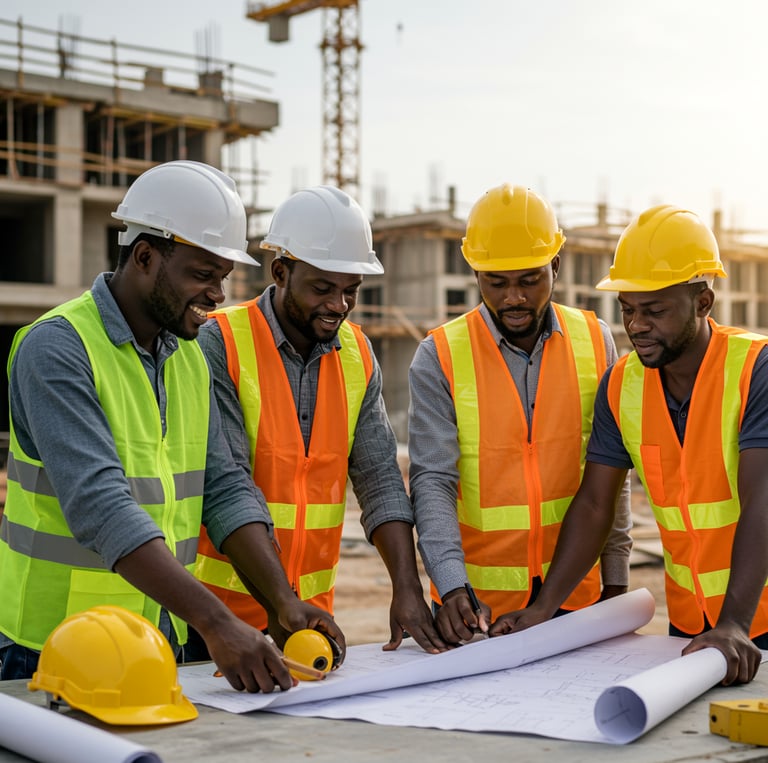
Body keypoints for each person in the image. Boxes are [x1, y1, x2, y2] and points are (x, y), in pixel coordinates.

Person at [0, 160, 343, 692]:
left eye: (223, 279)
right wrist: (216, 621)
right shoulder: (57, 348)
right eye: (203, 275)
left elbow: (224, 488)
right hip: (49, 649)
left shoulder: (188, 357)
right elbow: (100, 504)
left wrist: (280, 603)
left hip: (153, 642)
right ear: (144, 256)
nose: (217, 295)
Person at [490, 204, 768, 686]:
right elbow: (597, 503)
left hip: (753, 621)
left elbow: (763, 497)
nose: (636, 325)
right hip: (692, 625)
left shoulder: (755, 369)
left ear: (703, 302)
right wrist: (544, 607)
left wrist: (735, 624)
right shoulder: (622, 385)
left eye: (655, 310)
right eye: (628, 309)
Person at [193, 185, 447, 655]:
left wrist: (407, 587)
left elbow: (379, 479)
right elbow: (225, 485)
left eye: (350, 291)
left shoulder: (358, 354)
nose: (339, 305)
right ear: (281, 271)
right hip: (215, 620)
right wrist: (280, 604)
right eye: (323, 289)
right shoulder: (218, 343)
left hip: (307, 617)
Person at [408, 183, 632, 644]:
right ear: (475, 274)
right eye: (496, 282)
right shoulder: (439, 355)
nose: (513, 297)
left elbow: (611, 472)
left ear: (555, 265)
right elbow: (432, 480)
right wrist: (451, 585)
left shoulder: (595, 340)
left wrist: (616, 577)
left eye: (529, 280)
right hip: (475, 604)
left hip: (578, 595)